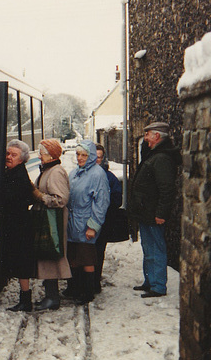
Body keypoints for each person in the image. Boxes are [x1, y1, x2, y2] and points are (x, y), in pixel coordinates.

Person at [128, 122, 181, 298]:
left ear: (157, 136)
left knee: (156, 248)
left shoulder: (162, 158)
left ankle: (158, 286)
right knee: (148, 248)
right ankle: (150, 281)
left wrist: (161, 214)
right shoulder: (155, 154)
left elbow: (167, 189)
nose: (145, 138)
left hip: (153, 214)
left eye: (148, 135)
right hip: (146, 212)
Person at [65, 140, 110, 304]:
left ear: (91, 156)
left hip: (85, 223)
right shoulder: (76, 172)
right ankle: (75, 289)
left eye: (84, 155)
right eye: (78, 154)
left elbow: (101, 202)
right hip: (73, 223)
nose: (80, 158)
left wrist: (93, 226)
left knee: (87, 258)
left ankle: (87, 292)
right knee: (74, 257)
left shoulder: (97, 174)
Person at [31, 139, 72, 311]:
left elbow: (61, 199)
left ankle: (52, 297)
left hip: (52, 219)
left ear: (52, 155)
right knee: (47, 255)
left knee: (51, 254)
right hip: (46, 218)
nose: (39, 156)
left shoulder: (55, 172)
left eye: (42, 153)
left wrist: (40, 197)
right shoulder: (48, 170)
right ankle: (50, 295)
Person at [0, 140, 36, 312]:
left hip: (19, 225)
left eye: (13, 155)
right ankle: (25, 299)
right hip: (16, 223)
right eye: (7, 154)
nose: (8, 157)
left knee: (22, 263)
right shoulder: (12, 172)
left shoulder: (18, 176)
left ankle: (26, 300)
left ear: (22, 159)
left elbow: (4, 197)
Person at [93, 143, 123, 294]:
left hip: (103, 221)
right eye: (94, 156)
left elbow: (117, 200)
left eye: (99, 157)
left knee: (98, 251)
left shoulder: (110, 178)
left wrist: (103, 205)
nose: (97, 160)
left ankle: (95, 281)